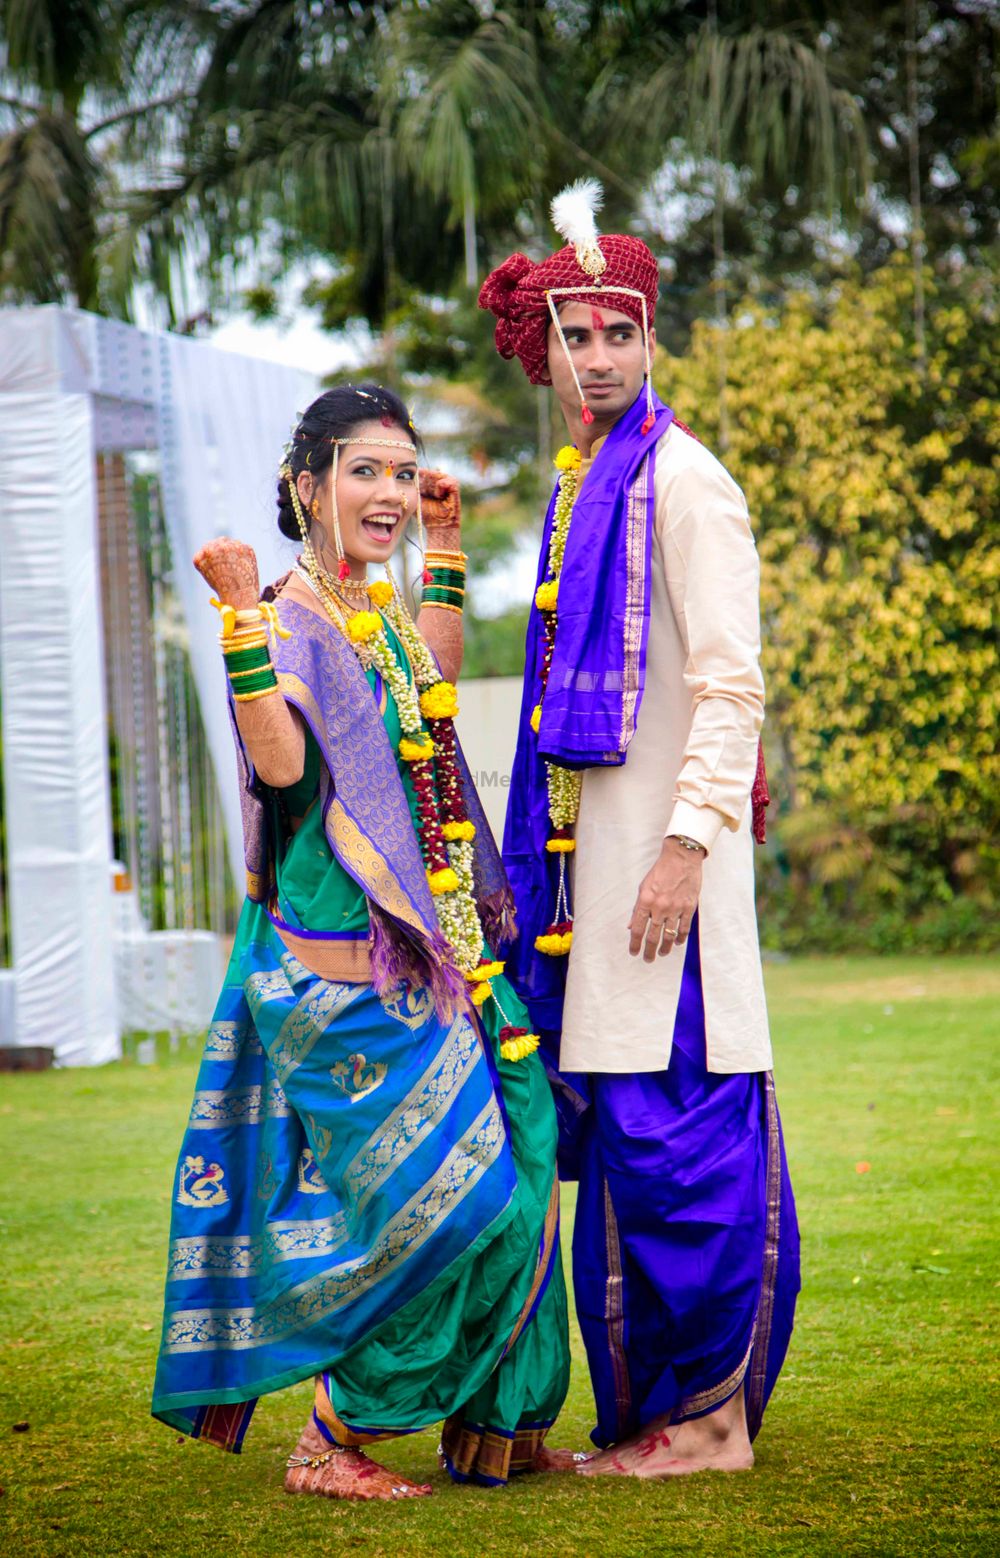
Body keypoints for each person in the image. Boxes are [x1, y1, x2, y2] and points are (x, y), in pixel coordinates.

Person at [151, 384, 573, 1500]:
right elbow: (285, 767)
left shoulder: (368, 613)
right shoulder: (289, 617)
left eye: (400, 470)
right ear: (307, 486)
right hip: (344, 970)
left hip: (442, 950)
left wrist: (443, 550)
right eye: (364, 472)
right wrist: (238, 617)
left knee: (525, 1158)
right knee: (448, 1202)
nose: (386, 492)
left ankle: (498, 1422)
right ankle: (333, 1437)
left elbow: (423, 687)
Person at [478, 181, 800, 1478]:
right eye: (575, 336)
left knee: (686, 1143)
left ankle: (712, 1424)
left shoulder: (684, 480)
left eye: (618, 332)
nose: (597, 356)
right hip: (587, 890)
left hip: (664, 886)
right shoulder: (582, 488)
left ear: (651, 338)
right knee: (622, 1148)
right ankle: (649, 1419)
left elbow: (732, 687)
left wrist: (683, 847)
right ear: (543, 350)